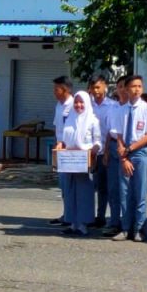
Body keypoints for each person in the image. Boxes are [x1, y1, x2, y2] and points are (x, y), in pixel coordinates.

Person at [109, 75, 147, 242]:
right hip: (124, 155)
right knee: (124, 193)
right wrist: (123, 158)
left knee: (139, 193)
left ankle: (138, 229)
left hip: (140, 154)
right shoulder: (121, 110)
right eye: (133, 86)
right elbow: (119, 136)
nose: (137, 89)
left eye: (139, 86)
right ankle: (125, 228)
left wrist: (130, 149)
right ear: (126, 89)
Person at [57, 91, 102, 235]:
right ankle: (72, 223)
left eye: (81, 102)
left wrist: (94, 150)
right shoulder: (69, 119)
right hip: (69, 162)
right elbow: (65, 140)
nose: (78, 105)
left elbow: (98, 141)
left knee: (84, 193)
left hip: (84, 162)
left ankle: (83, 224)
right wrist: (60, 145)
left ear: (87, 103)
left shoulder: (93, 120)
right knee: (70, 192)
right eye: (76, 102)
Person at [88, 75, 117, 230]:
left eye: (98, 87)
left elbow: (110, 132)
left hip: (104, 152)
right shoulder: (87, 105)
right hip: (88, 152)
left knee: (105, 187)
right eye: (93, 88)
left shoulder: (112, 106)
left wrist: (106, 153)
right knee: (89, 186)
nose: (96, 91)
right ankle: (87, 215)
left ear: (105, 86)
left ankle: (103, 217)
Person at [102, 76, 130, 237]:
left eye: (125, 86)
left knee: (125, 188)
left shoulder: (132, 108)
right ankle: (114, 222)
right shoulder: (112, 107)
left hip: (127, 148)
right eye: (119, 86)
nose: (122, 89)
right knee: (112, 188)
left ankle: (127, 223)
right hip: (112, 145)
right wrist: (106, 151)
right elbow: (108, 131)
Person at [48, 76, 74, 226]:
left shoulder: (74, 105)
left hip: (70, 150)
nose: (54, 92)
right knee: (63, 185)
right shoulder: (59, 105)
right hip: (59, 149)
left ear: (66, 90)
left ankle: (72, 216)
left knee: (70, 185)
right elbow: (57, 127)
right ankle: (67, 214)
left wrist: (63, 143)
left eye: (56, 89)